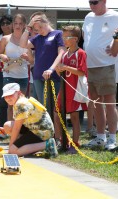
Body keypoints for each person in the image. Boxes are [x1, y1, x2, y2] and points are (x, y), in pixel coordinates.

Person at [82, 0, 118, 150]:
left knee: (109, 102)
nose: (92, 5)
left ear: (104, 1)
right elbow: (85, 37)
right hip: (91, 65)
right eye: (90, 2)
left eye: (95, 2)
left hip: (107, 65)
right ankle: (100, 137)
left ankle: (112, 139)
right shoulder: (88, 17)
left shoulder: (115, 16)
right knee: (96, 103)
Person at [20, 12, 66, 118]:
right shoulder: (38, 38)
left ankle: (57, 133)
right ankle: (48, 132)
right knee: (44, 106)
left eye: (40, 27)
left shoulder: (57, 34)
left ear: (46, 22)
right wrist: (28, 28)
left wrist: (51, 69)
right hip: (38, 76)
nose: (40, 30)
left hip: (54, 76)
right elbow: (22, 44)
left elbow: (61, 53)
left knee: (55, 106)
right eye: (36, 29)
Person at [0, 83, 58, 157]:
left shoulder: (20, 104)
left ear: (18, 93)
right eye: (6, 96)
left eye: (11, 95)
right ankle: (28, 148)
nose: (8, 98)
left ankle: (47, 144)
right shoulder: (20, 101)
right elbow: (17, 125)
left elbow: (17, 128)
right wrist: (5, 130)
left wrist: (10, 148)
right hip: (37, 129)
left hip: (41, 133)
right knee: (7, 126)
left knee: (13, 151)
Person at [54, 25, 88, 153]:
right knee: (57, 114)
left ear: (75, 39)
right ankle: (62, 140)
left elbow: (81, 72)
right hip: (63, 90)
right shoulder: (65, 54)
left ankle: (75, 143)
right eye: (63, 37)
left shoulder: (81, 53)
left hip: (75, 90)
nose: (64, 39)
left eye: (66, 37)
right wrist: (58, 69)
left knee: (74, 117)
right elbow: (61, 73)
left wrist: (66, 68)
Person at [0, 13, 34, 121]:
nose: (18, 26)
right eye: (16, 23)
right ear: (12, 25)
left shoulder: (28, 41)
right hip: (8, 75)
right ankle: (10, 129)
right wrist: (2, 56)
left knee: (21, 104)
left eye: (20, 23)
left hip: (23, 76)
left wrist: (27, 57)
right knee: (10, 104)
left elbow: (32, 61)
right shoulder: (5, 39)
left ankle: (19, 130)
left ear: (24, 25)